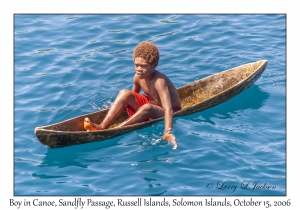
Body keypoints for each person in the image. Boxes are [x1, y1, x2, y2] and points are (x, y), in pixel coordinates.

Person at [84, 41, 181, 149]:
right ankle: (102, 127)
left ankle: (116, 130)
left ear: (154, 65)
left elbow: (169, 110)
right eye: (136, 65)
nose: (139, 69)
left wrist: (167, 132)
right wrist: (117, 108)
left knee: (147, 107)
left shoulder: (159, 81)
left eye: (143, 66)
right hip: (151, 106)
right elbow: (132, 96)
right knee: (124, 93)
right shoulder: (137, 77)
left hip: (170, 110)